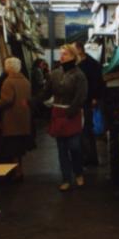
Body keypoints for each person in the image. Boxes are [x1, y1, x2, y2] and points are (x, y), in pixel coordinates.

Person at [43, 43, 88, 191]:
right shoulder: (55, 73)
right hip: (58, 113)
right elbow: (47, 92)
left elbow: (81, 96)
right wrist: (34, 101)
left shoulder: (79, 75)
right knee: (62, 149)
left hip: (72, 114)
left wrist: (71, 111)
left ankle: (79, 172)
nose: (61, 57)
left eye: (65, 54)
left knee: (74, 147)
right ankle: (66, 179)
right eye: (61, 54)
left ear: (73, 56)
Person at [0, 57, 32, 179]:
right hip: (23, 118)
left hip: (11, 119)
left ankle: (15, 173)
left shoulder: (8, 82)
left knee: (11, 148)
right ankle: (20, 170)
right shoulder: (25, 81)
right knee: (19, 148)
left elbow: (7, 100)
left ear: (7, 67)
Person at [75, 41, 104, 166]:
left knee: (86, 129)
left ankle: (90, 158)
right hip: (81, 101)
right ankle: (87, 157)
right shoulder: (79, 64)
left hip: (87, 101)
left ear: (80, 50)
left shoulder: (91, 64)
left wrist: (94, 97)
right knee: (83, 130)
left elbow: (97, 82)